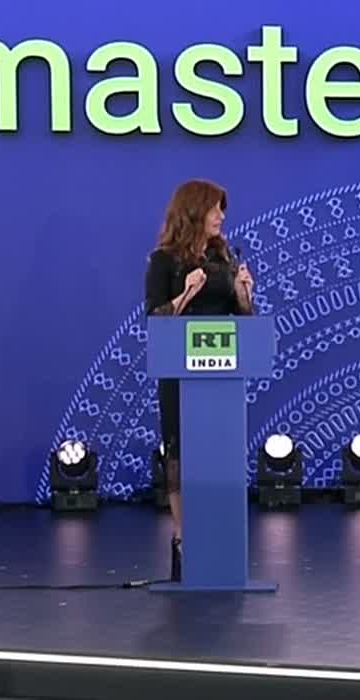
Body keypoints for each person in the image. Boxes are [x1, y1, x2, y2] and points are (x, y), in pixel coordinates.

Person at [144, 179, 255, 581]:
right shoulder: (164, 260)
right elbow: (154, 317)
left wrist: (243, 295)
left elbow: (244, 322)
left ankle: (219, 540)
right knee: (180, 454)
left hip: (220, 376)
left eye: (222, 209)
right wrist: (185, 295)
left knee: (217, 451)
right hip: (180, 373)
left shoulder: (225, 257)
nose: (221, 216)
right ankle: (183, 537)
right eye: (214, 208)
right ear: (193, 211)